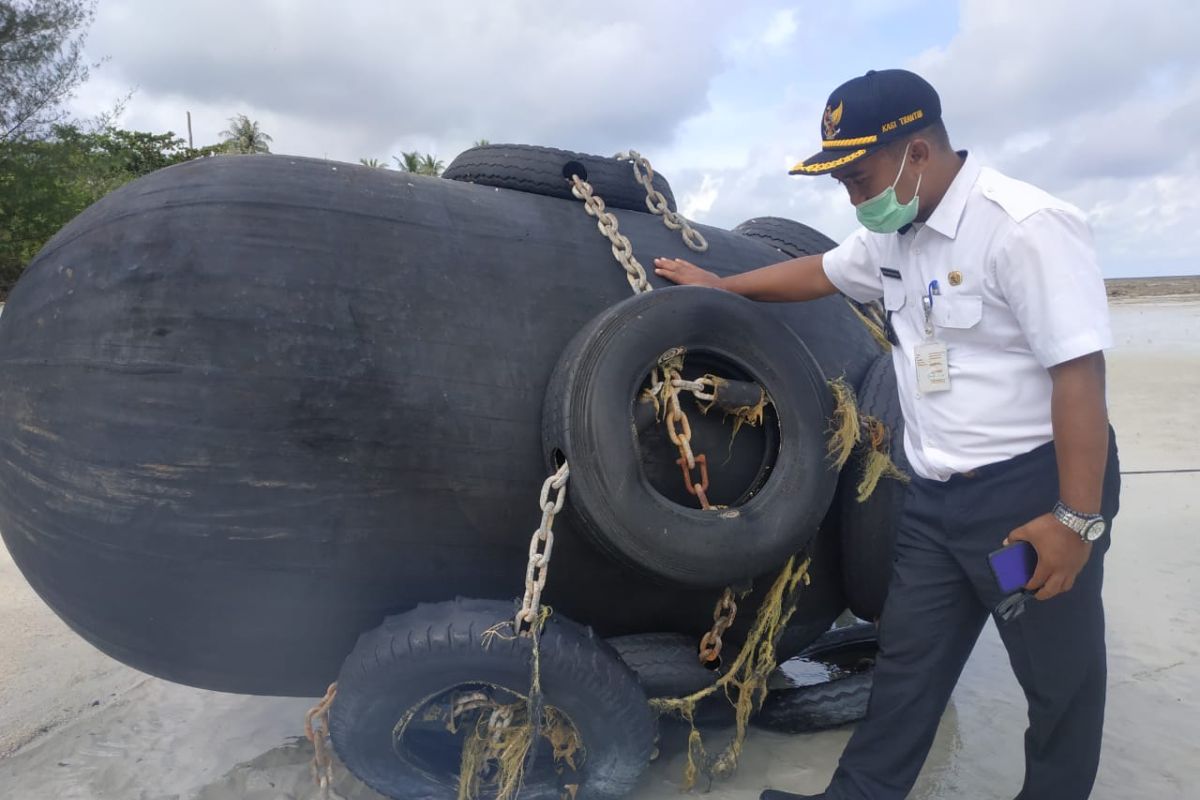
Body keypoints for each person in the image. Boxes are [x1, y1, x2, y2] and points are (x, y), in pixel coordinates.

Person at [653, 68, 1120, 800]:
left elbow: (1080, 378)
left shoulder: (1023, 228)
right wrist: (723, 288)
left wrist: (1075, 520)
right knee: (908, 668)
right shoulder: (896, 233)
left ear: (920, 153)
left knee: (1055, 678)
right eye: (842, 185)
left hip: (1025, 508)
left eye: (861, 178)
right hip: (936, 509)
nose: (854, 199)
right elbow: (820, 272)